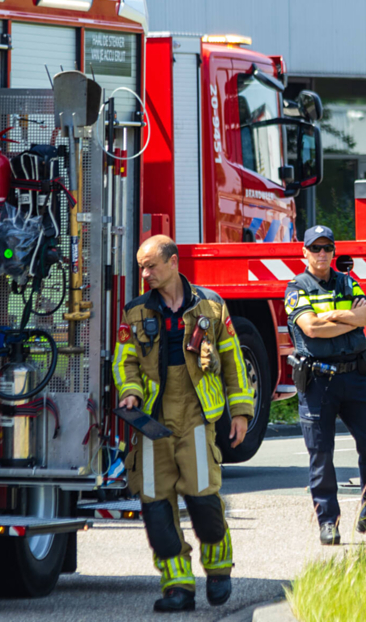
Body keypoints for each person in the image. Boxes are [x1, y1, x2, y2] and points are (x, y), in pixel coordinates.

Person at [114, 235, 253, 612]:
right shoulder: (136, 312)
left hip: (196, 416)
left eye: (151, 266)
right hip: (152, 422)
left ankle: (219, 569)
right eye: (141, 267)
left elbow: (233, 361)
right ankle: (177, 585)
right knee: (155, 506)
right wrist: (130, 392)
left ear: (173, 262)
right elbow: (125, 361)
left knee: (203, 498)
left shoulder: (211, 305)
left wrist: (240, 411)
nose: (145, 274)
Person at [286, 225, 366, 546]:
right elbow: (311, 329)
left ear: (333, 252)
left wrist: (334, 316)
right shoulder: (297, 288)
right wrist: (347, 319)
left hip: (353, 378)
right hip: (318, 381)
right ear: (305, 252)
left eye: (327, 248)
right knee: (321, 454)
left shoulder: (347, 281)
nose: (322, 254)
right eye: (315, 248)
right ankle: (328, 521)